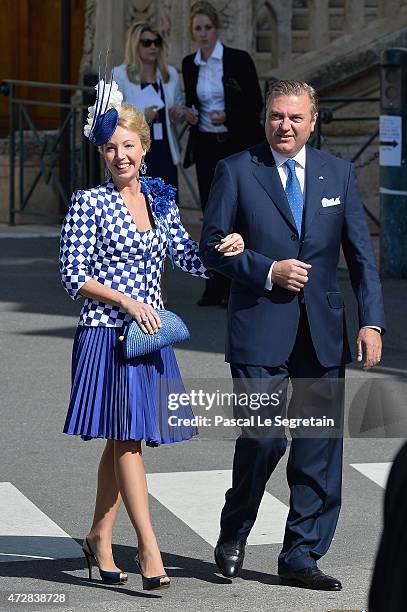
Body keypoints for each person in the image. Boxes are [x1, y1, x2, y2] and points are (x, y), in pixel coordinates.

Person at [200, 80, 385, 590]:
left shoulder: (338, 174)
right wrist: (266, 269)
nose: (285, 125)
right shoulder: (237, 170)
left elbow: (362, 260)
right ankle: (235, 525)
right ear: (265, 118)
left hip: (322, 331)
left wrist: (371, 320)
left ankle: (300, 555)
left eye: (295, 118)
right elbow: (210, 247)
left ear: (313, 121)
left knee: (318, 449)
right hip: (258, 326)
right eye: (277, 116)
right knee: (261, 438)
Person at [60, 78, 244, 590]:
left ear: (144, 147)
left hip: (152, 337)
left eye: (129, 145)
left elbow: (189, 259)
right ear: (102, 152)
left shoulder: (161, 199)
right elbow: (74, 276)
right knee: (127, 439)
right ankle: (149, 546)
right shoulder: (88, 202)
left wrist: (224, 250)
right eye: (111, 147)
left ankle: (100, 535)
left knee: (125, 438)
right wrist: (126, 301)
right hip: (107, 335)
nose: (121, 155)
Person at [182, 0, 264, 307]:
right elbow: (193, 100)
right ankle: (214, 283)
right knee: (211, 215)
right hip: (205, 146)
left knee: (237, 214)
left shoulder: (238, 60)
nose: (203, 34)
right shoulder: (190, 64)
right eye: (198, 28)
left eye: (207, 28)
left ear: (217, 29)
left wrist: (226, 115)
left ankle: (237, 283)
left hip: (235, 147)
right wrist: (190, 113)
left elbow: (255, 103)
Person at [114, 22, 185, 192]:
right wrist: (142, 117)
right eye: (146, 42)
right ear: (135, 45)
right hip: (135, 151)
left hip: (164, 148)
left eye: (157, 42)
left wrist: (178, 113)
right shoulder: (120, 75)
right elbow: (113, 115)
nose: (153, 47)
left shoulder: (170, 75)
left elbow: (178, 109)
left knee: (166, 203)